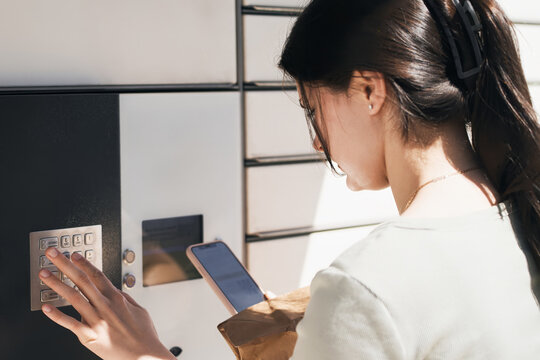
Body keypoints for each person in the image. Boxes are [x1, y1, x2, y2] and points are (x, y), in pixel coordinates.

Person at [38, 0, 540, 359]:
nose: (317, 142)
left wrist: (141, 353)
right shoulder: (520, 218)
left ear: (369, 90)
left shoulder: (365, 288)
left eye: (311, 107)